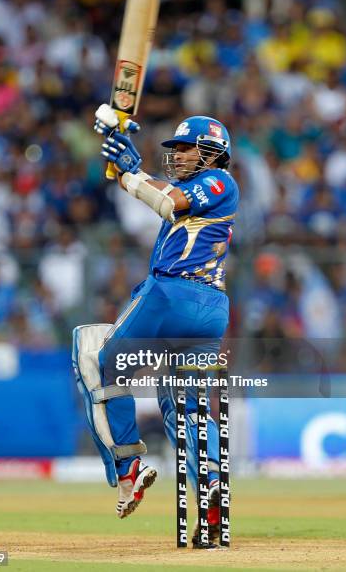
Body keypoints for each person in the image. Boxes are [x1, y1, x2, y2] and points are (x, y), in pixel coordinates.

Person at [73, 104, 239, 547]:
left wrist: (131, 172)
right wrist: (118, 151)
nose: (179, 155)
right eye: (177, 149)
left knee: (93, 353)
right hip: (210, 312)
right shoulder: (197, 188)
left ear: (213, 152)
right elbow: (154, 192)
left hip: (171, 298)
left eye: (188, 148)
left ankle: (126, 466)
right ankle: (211, 508)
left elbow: (166, 201)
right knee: (183, 406)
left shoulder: (219, 181)